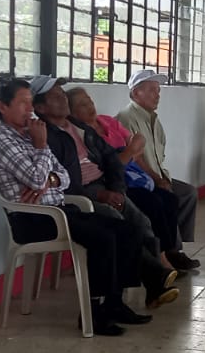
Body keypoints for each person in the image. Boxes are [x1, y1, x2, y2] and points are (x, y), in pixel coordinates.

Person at [0, 79, 170, 335]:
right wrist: (41, 151)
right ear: (2, 107)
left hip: (60, 210)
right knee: (103, 237)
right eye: (23, 103)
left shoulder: (29, 134)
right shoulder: (4, 141)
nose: (29, 109)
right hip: (33, 219)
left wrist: (49, 179)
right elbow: (38, 179)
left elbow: (63, 175)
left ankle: (114, 304)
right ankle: (93, 314)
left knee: (126, 229)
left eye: (30, 102)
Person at [31, 77, 180, 304]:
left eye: (63, 93)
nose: (63, 99)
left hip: (104, 185)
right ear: (40, 108)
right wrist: (100, 194)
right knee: (117, 223)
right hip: (80, 196)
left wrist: (117, 189)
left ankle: (154, 281)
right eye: (56, 96)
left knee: (141, 221)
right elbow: (62, 181)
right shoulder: (46, 136)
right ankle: (144, 283)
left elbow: (110, 157)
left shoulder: (78, 127)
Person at [66, 86, 195, 273]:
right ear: (71, 112)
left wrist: (154, 177)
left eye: (90, 101)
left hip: (135, 177)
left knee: (169, 198)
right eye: (82, 104)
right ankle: (159, 261)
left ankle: (170, 252)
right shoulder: (82, 135)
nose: (90, 106)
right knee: (152, 204)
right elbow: (111, 165)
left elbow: (137, 152)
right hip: (115, 183)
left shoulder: (108, 122)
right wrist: (129, 153)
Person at [120, 69, 199, 252]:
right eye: (151, 90)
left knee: (188, 193)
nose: (157, 95)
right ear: (135, 93)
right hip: (140, 181)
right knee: (168, 198)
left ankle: (177, 246)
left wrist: (162, 178)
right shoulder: (126, 119)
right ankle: (170, 250)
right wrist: (157, 180)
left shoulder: (154, 120)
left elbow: (159, 157)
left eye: (158, 90)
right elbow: (134, 160)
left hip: (157, 176)